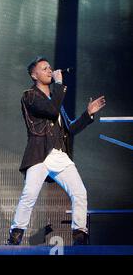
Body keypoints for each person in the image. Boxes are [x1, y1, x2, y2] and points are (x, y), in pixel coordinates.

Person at [7, 56, 106, 245]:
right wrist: (60, 84)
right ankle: (14, 237)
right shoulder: (30, 96)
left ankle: (79, 235)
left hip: (59, 154)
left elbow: (70, 130)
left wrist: (88, 114)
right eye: (44, 68)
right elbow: (50, 111)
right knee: (29, 195)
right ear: (33, 74)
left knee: (79, 192)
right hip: (40, 153)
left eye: (49, 67)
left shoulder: (55, 100)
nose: (49, 70)